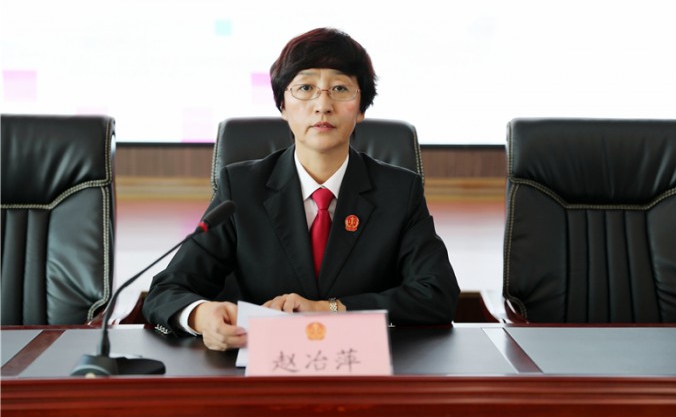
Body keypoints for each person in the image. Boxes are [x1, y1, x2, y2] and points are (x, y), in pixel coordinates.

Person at [142, 27, 460, 351]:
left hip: (363, 364)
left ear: (361, 107)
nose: (323, 105)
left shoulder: (399, 191)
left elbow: (437, 294)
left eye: (340, 88)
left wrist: (330, 309)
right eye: (306, 88)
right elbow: (167, 291)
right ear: (282, 105)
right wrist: (201, 316)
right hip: (264, 366)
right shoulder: (242, 188)